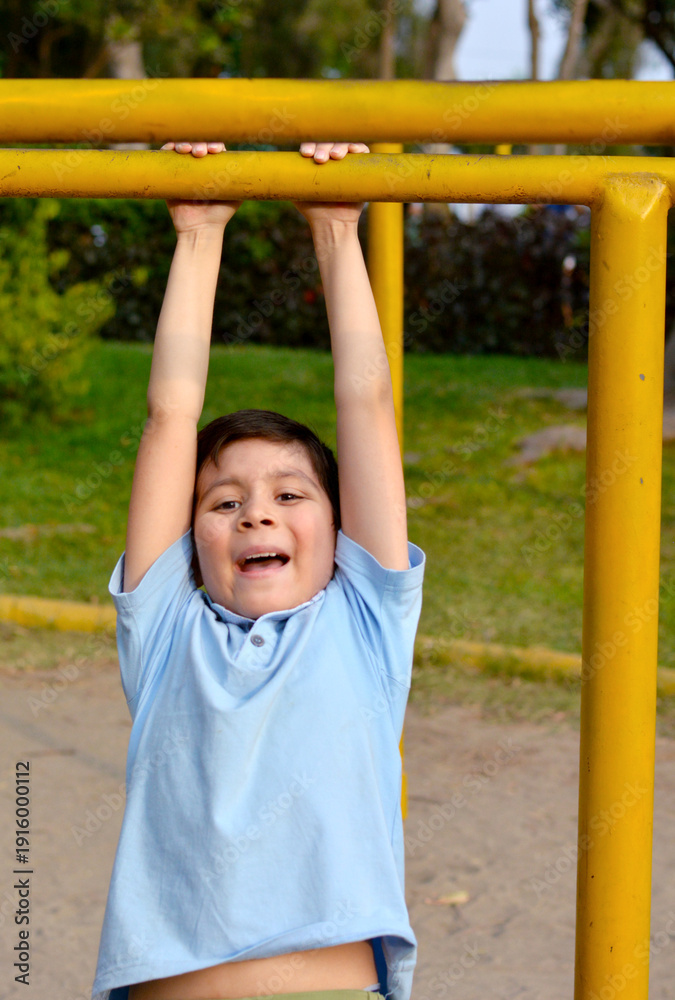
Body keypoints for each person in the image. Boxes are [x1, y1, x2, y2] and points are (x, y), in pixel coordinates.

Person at [91, 140, 426, 1000]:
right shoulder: (167, 631)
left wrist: (335, 231)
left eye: (289, 494)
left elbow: (367, 402)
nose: (257, 513)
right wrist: (199, 233)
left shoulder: (363, 622)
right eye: (224, 502)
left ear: (341, 527)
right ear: (192, 541)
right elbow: (171, 415)